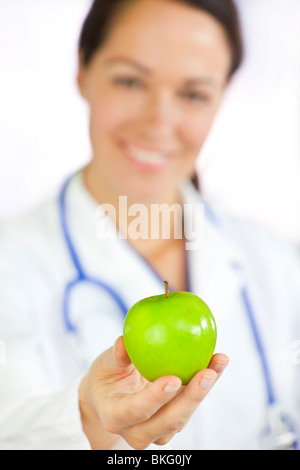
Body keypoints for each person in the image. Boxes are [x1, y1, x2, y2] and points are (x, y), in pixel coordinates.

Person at [0, 0, 299, 451]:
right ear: (82, 70)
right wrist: (86, 415)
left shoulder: (280, 265)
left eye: (194, 93)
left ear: (222, 96)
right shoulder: (11, 264)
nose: (159, 122)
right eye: (131, 81)